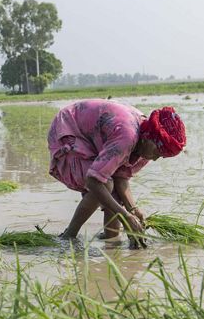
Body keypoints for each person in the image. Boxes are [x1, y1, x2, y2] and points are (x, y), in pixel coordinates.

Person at [47, 99, 186, 248]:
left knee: (113, 193)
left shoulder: (147, 146)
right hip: (69, 128)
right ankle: (69, 235)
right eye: (157, 152)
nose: (156, 158)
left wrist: (133, 210)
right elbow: (93, 180)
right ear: (148, 139)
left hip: (96, 136)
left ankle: (112, 242)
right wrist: (126, 216)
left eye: (162, 156)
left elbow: (121, 178)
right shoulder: (127, 136)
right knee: (105, 184)